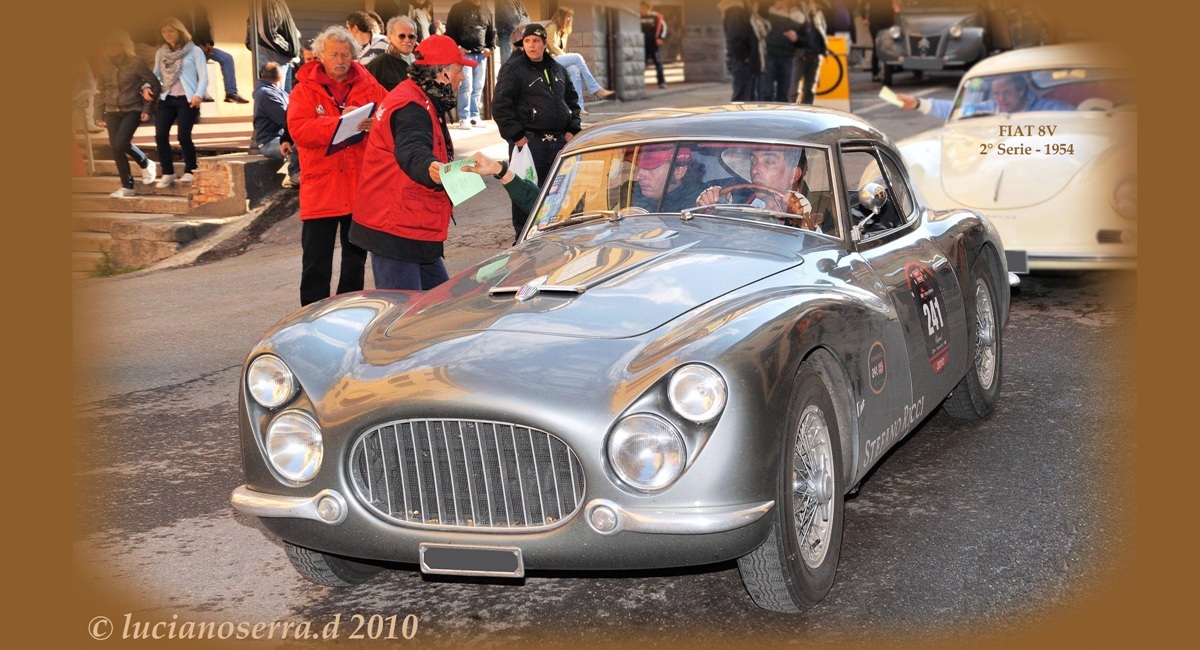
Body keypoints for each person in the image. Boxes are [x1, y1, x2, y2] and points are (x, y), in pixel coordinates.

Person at [352, 35, 476, 292]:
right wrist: (430, 168)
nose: (462, 79)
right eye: (459, 71)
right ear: (442, 73)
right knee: (403, 318)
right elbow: (412, 150)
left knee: (439, 306)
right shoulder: (412, 106)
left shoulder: (420, 96)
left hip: (411, 225)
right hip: (397, 229)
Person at [287, 26, 387, 306]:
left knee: (355, 261)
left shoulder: (369, 84)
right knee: (316, 263)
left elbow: (390, 116)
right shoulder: (303, 89)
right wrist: (341, 124)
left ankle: (346, 312)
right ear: (320, 56)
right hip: (321, 189)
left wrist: (374, 125)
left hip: (358, 188)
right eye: (334, 54)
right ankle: (309, 319)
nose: (340, 60)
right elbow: (300, 131)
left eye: (346, 54)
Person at [492, 22, 581, 240]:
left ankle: (555, 239)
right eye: (527, 41)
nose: (531, 45)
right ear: (522, 43)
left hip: (559, 142)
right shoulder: (513, 69)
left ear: (544, 44)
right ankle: (524, 242)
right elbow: (500, 105)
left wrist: (573, 127)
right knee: (525, 195)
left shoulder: (558, 69)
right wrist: (517, 136)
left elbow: (572, 100)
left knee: (559, 193)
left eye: (536, 41)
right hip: (529, 143)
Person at [696, 147, 830, 231]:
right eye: (753, 162)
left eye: (769, 162)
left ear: (794, 175)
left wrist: (803, 223)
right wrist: (708, 210)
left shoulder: (826, 212)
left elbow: (824, 260)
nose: (754, 170)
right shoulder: (742, 202)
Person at [94, 30, 161, 197]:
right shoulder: (104, 63)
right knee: (115, 149)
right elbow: (101, 90)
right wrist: (98, 113)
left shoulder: (135, 62)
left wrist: (147, 108)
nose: (110, 47)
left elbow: (153, 84)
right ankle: (127, 187)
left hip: (133, 108)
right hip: (111, 109)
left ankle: (146, 162)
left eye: (114, 44)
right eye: (107, 44)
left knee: (121, 143)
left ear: (123, 45)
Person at [152, 17, 208, 189]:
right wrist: (147, 86)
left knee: (183, 136)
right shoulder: (161, 52)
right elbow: (155, 75)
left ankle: (190, 170)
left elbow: (204, 76)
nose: (167, 35)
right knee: (160, 136)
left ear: (179, 31)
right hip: (166, 99)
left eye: (171, 31)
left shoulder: (195, 51)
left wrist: (198, 95)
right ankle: (168, 172)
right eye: (164, 32)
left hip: (188, 100)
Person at [894, 74, 1074, 121]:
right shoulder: (989, 108)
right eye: (997, 93)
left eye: (1007, 93)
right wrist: (919, 103)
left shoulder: (1048, 109)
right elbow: (957, 111)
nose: (1001, 99)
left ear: (1021, 91)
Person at [546, 8, 616, 115]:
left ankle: (579, 107)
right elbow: (553, 47)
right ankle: (595, 88)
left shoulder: (563, 32)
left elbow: (561, 51)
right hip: (549, 60)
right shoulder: (552, 27)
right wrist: (568, 57)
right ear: (561, 17)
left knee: (575, 70)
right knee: (577, 57)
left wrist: (567, 57)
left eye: (571, 17)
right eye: (568, 16)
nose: (571, 19)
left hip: (558, 60)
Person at [445, 0, 496, 129]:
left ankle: (474, 116)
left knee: (478, 86)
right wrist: (457, 47)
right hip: (464, 55)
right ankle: (464, 117)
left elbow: (492, 30)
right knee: (466, 86)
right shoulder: (457, 8)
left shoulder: (487, 9)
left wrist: (491, 47)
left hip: (481, 55)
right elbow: (450, 29)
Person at [252, 62, 298, 188]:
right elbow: (285, 118)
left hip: (280, 137)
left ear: (262, 75)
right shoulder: (266, 93)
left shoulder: (278, 92)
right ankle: (295, 174)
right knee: (297, 144)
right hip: (269, 142)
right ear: (280, 77)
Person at [630, 146, 708, 213]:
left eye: (651, 168)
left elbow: (717, 189)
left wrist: (712, 196)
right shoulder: (628, 191)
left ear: (679, 172)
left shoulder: (700, 198)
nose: (639, 176)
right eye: (639, 167)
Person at [247, 0, 303, 93]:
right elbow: (266, 33)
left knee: (285, 102)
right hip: (273, 59)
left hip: (284, 60)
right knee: (275, 101)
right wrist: (289, 48)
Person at [760, 0, 803, 102]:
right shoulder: (768, 8)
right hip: (769, 55)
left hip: (788, 58)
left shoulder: (801, 15)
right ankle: (764, 117)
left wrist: (797, 39)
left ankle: (780, 117)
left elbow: (806, 39)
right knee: (766, 93)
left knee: (784, 95)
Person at [721, 0, 760, 101]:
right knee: (742, 99)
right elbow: (734, 37)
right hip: (742, 62)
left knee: (749, 98)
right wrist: (744, 57)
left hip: (746, 61)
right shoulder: (735, 11)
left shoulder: (743, 9)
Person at [366, 16, 419, 90]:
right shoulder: (379, 64)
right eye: (402, 36)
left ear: (416, 38)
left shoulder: (423, 62)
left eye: (411, 36)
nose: (407, 40)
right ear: (389, 37)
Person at [789, 0, 827, 104]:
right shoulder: (794, 12)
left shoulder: (817, 13)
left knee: (810, 89)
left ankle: (807, 112)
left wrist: (822, 48)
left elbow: (822, 30)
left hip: (814, 54)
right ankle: (790, 113)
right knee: (793, 88)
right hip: (799, 55)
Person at [196, 38, 249, 103]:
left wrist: (207, 43)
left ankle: (231, 93)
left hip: (204, 45)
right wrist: (199, 44)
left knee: (227, 58)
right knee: (199, 60)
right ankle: (201, 92)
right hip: (193, 46)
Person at [640, 2, 667, 89]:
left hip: (654, 44)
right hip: (642, 45)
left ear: (649, 8)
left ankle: (661, 82)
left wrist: (660, 38)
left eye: (644, 8)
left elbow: (664, 27)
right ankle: (640, 83)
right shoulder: (638, 16)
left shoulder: (656, 17)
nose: (642, 10)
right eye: (641, 8)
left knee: (658, 63)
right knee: (642, 64)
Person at [494, 0, 530, 64]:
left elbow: (528, 19)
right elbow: (514, 22)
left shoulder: (518, 2)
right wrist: (522, 20)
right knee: (508, 64)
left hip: (516, 37)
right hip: (506, 37)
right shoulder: (504, 2)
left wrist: (522, 21)